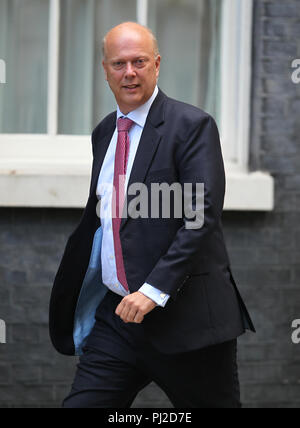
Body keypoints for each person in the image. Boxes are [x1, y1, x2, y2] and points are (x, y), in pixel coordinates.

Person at [49, 21, 255, 408]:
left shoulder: (191, 126)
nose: (129, 72)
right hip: (119, 319)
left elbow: (200, 217)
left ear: (157, 65)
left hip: (189, 324)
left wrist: (152, 290)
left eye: (139, 61)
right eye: (119, 63)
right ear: (105, 70)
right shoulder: (105, 133)